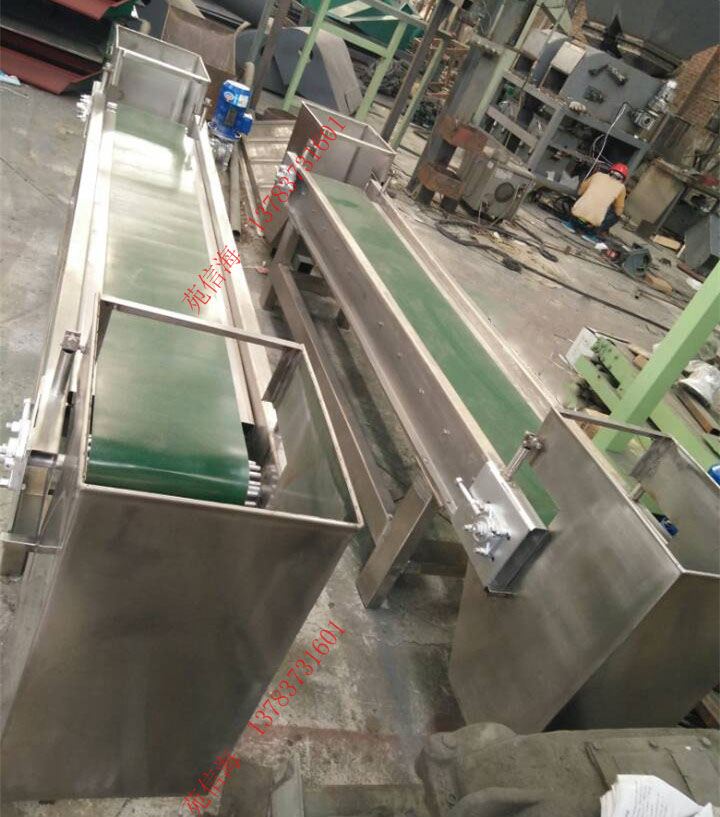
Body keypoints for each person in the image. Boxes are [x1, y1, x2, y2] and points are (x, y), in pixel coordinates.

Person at [567, 163, 628, 236]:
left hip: (575, 217)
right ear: (623, 178)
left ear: (610, 171)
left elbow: (580, 191)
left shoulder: (597, 175)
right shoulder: (621, 188)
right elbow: (618, 212)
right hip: (593, 224)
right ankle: (591, 233)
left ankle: (571, 223)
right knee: (616, 216)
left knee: (582, 195)